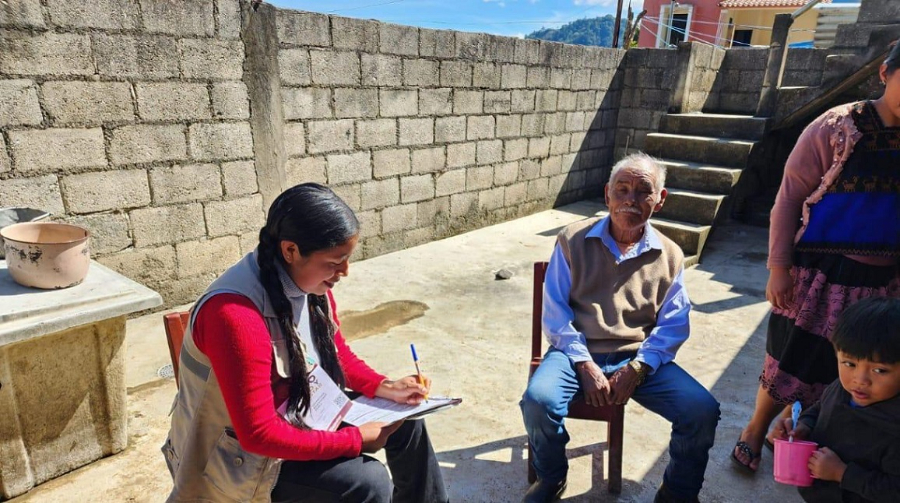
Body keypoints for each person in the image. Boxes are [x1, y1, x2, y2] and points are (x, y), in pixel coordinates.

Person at [161, 183, 449, 503]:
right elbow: (259, 435)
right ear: (291, 250)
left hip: (302, 414)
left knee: (407, 422)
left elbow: (335, 354)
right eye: (335, 261)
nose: (345, 271)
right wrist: (354, 440)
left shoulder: (309, 283)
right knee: (367, 482)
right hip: (239, 460)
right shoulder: (234, 315)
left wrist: (386, 388)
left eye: (347, 259)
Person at [732, 41, 900, 473]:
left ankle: (810, 436)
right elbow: (789, 198)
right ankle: (756, 428)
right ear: (885, 73)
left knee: (858, 370)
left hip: (885, 283)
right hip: (819, 274)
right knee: (789, 359)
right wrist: (778, 268)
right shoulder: (838, 127)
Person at [520, 153, 720, 503]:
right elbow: (556, 315)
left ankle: (677, 492)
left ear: (660, 199)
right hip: (575, 352)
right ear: (607, 194)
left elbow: (673, 325)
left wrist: (638, 368)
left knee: (701, 409)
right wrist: (584, 364)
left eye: (643, 191)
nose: (631, 199)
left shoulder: (670, 254)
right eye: (622, 189)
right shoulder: (572, 239)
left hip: (637, 357)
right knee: (538, 402)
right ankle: (552, 477)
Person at [773, 297, 900, 502]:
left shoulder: (894, 427)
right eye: (849, 364)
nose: (860, 380)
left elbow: (894, 490)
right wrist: (804, 426)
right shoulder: (840, 388)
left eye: (879, 370)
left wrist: (842, 473)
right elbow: (819, 409)